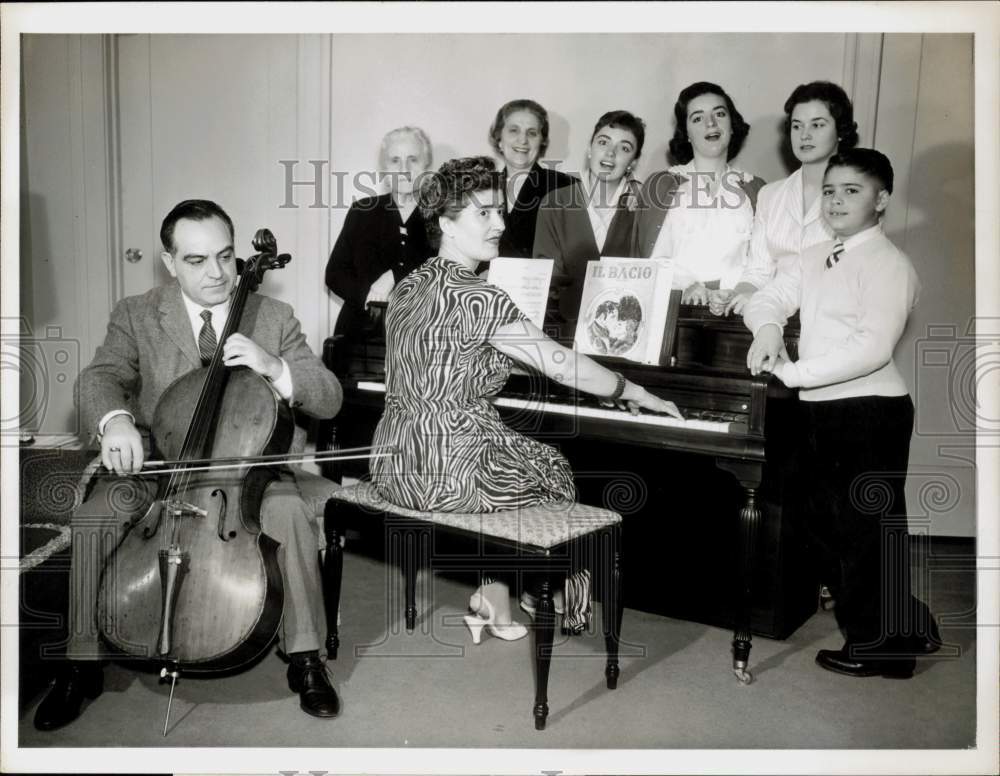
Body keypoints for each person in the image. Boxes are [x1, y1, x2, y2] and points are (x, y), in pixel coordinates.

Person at [33, 200, 345, 731]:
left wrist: (277, 368)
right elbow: (99, 377)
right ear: (169, 261)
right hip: (161, 468)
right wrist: (116, 422)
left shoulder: (273, 317)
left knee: (289, 513)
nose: (218, 274)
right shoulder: (137, 312)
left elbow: (329, 398)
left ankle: (306, 658)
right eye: (197, 260)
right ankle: (79, 664)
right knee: (93, 517)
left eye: (225, 256)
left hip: (249, 474)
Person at [369, 157, 681, 639]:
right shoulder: (483, 298)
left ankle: (493, 596)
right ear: (447, 224)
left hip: (393, 459)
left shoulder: (408, 285)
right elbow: (563, 364)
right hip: (444, 472)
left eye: (500, 211)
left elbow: (445, 357)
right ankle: (551, 599)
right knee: (553, 468)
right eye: (484, 214)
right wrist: (633, 390)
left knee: (516, 455)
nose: (500, 223)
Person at [743, 149, 940, 679]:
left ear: (881, 201)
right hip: (820, 413)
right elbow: (767, 298)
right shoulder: (813, 255)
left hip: (871, 413)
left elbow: (871, 348)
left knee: (866, 534)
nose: (836, 200)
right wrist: (766, 327)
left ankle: (883, 650)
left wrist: (792, 372)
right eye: (830, 191)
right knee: (820, 529)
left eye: (852, 191)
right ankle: (909, 625)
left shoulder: (890, 264)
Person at [632, 82, 766, 315]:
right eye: (697, 118)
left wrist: (739, 293)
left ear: (732, 126)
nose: (711, 123)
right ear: (687, 134)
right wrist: (686, 285)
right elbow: (648, 260)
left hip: (738, 313)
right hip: (674, 311)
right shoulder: (661, 184)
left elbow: (763, 263)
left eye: (720, 114)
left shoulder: (756, 188)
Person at [731, 81, 858, 315]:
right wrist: (738, 295)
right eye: (797, 126)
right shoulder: (770, 195)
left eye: (817, 125)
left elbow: (851, 278)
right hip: (772, 319)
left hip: (832, 322)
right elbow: (757, 272)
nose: (805, 135)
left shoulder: (857, 195)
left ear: (840, 131)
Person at [533, 110, 645, 339]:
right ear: (589, 148)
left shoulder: (645, 208)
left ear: (633, 162)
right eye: (603, 142)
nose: (610, 153)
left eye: (624, 148)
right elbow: (547, 282)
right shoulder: (555, 203)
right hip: (563, 335)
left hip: (626, 338)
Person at [325, 126, 435, 340]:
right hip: (359, 334)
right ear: (384, 168)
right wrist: (371, 297)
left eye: (413, 159)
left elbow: (446, 271)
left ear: (426, 165)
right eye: (395, 160)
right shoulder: (361, 211)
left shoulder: (442, 217)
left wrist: (394, 276)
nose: (404, 168)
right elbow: (335, 274)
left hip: (421, 337)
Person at [489, 98, 575, 259]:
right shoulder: (483, 187)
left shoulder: (566, 187)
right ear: (499, 139)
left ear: (542, 141)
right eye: (514, 130)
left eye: (532, 133)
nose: (523, 140)